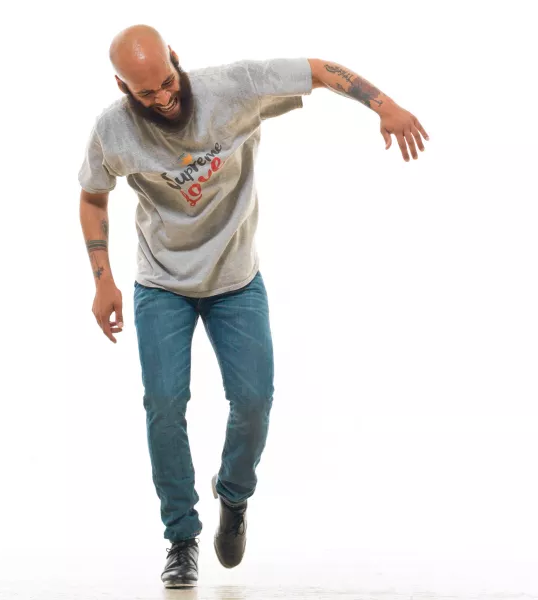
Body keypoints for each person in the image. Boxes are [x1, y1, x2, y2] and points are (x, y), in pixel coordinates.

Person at [77, 24, 429, 589]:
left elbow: (316, 70)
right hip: (161, 285)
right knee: (164, 406)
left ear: (175, 56)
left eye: (167, 82)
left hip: (235, 281)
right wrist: (103, 279)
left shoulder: (234, 88)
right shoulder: (111, 130)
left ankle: (234, 496)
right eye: (146, 94)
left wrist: (385, 106)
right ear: (123, 86)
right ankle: (181, 537)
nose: (163, 98)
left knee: (255, 400)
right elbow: (94, 198)